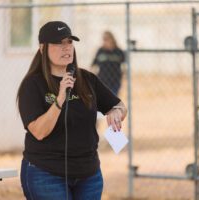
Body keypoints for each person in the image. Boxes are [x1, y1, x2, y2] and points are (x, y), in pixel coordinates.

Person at [17, 21, 127, 200]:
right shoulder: (32, 85)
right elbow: (38, 131)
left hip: (89, 175)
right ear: (42, 48)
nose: (66, 48)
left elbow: (121, 106)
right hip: (46, 174)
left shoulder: (87, 79)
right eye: (59, 43)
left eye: (69, 42)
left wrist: (116, 111)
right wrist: (60, 98)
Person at [92, 31, 125, 96]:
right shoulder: (100, 51)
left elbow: (124, 65)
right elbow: (94, 65)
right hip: (102, 81)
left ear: (112, 39)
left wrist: (123, 75)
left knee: (113, 99)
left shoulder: (119, 51)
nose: (104, 41)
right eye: (103, 39)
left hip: (115, 81)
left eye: (106, 39)